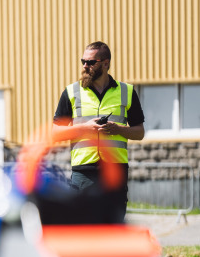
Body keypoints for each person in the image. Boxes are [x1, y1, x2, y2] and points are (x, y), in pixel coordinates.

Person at [51, 41, 145, 222]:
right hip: (84, 172)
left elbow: (139, 132)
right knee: (83, 226)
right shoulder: (71, 92)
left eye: (91, 62)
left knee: (114, 224)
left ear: (106, 63)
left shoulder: (127, 91)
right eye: (83, 61)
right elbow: (55, 133)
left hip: (115, 170)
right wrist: (85, 128)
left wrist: (118, 129)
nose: (85, 66)